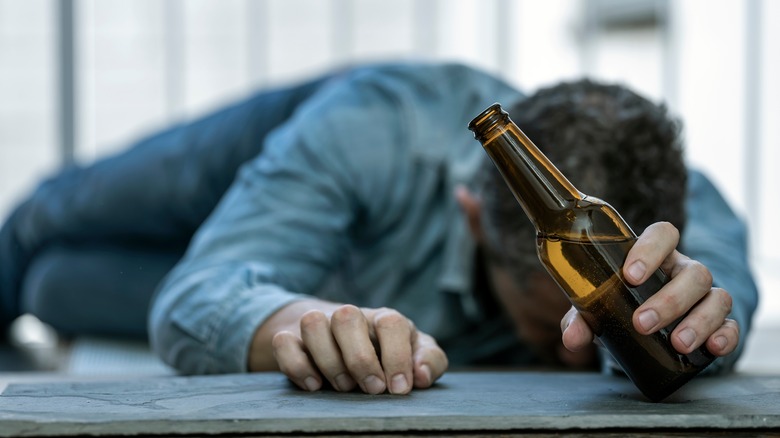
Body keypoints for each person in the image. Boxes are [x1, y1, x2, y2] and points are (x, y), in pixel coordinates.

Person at [0, 62, 757, 395]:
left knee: (56, 286)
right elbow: (202, 290)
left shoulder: (682, 214)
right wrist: (306, 325)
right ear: (471, 215)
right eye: (540, 328)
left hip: (332, 266)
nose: (568, 354)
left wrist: (691, 331)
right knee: (45, 221)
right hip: (293, 161)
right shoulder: (372, 132)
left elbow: (717, 305)